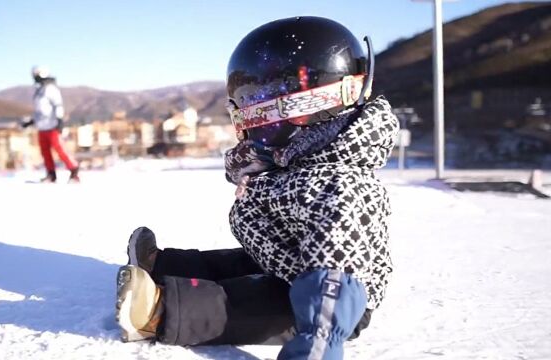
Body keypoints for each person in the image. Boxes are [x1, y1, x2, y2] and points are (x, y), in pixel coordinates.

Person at [116, 16, 399, 360]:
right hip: (291, 265)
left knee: (252, 298)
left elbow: (332, 288)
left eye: (262, 114)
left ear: (309, 109)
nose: (251, 130)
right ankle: (164, 265)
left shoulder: (342, 189)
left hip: (331, 303)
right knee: (240, 264)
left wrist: (316, 348)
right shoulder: (303, 160)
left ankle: (160, 310)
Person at [22, 66, 80, 183]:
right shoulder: (39, 92)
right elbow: (40, 111)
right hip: (42, 127)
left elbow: (58, 105)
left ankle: (73, 170)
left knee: (60, 149)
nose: (35, 79)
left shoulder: (51, 89)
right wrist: (31, 121)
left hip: (52, 125)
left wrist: (59, 121)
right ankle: (51, 174)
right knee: (45, 151)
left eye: (36, 76)